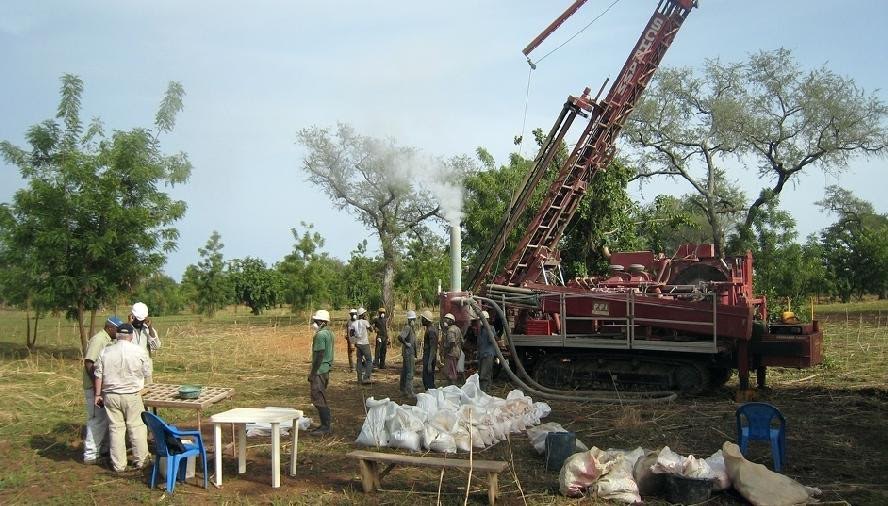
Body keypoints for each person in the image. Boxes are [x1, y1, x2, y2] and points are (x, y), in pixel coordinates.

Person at [93, 323, 150, 473]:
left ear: (117, 335)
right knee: (136, 427)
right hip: (131, 395)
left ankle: (119, 465)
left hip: (110, 395)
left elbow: (98, 374)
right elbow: (146, 371)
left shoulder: (106, 351)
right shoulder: (139, 351)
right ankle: (141, 461)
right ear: (131, 336)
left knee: (116, 429)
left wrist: (98, 394)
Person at [82, 315, 121, 464]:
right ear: (109, 328)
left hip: (101, 388)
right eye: (116, 330)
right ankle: (91, 455)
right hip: (94, 388)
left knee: (105, 419)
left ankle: (102, 451)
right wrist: (96, 387)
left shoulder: (108, 340)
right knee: (97, 419)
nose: (117, 333)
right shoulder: (99, 340)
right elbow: (89, 363)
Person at [308, 309, 334, 435]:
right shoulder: (329, 333)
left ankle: (326, 426)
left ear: (322, 322)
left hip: (319, 370)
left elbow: (319, 355)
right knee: (321, 396)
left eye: (316, 321)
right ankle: (324, 425)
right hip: (326, 369)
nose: (314, 323)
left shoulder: (320, 335)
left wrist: (312, 373)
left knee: (318, 397)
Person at [129, 302, 161, 382]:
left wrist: (150, 327)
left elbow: (156, 346)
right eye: (137, 319)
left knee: (149, 393)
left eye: (141, 320)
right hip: (130, 371)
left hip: (146, 371)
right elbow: (120, 345)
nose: (139, 322)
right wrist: (128, 325)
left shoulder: (148, 329)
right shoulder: (126, 329)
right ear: (132, 316)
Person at [397, 310, 418, 398]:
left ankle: (403, 390)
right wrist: (406, 343)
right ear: (410, 320)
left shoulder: (411, 328)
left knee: (405, 371)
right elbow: (400, 337)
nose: (414, 321)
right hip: (408, 353)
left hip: (409, 353)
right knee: (410, 372)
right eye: (413, 319)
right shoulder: (408, 328)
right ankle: (409, 391)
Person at [477, 311, 497, 392]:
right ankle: (486, 391)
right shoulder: (481, 330)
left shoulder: (490, 328)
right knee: (483, 374)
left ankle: (484, 392)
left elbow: (492, 340)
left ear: (486, 320)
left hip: (488, 355)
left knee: (484, 375)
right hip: (482, 355)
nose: (479, 321)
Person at [441, 313, 463, 385]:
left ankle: (452, 389)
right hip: (456, 353)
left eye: (447, 319)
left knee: (450, 373)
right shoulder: (457, 329)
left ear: (451, 321)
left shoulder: (450, 330)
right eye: (445, 319)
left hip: (451, 354)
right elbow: (462, 341)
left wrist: (446, 351)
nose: (445, 321)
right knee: (452, 371)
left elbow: (452, 342)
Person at [353, 307, 373, 384]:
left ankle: (359, 379)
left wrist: (355, 339)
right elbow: (371, 329)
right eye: (365, 314)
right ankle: (366, 377)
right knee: (369, 360)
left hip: (358, 344)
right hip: (365, 343)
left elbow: (351, 333)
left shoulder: (355, 323)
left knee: (359, 361)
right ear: (363, 314)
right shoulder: (365, 322)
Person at [419, 310, 439, 390]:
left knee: (428, 379)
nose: (421, 320)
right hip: (428, 356)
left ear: (426, 320)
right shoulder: (430, 329)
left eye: (422, 318)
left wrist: (429, 363)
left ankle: (431, 396)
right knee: (427, 377)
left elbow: (433, 347)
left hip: (429, 357)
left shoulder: (431, 331)